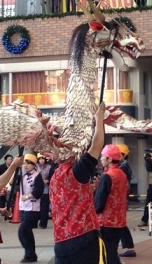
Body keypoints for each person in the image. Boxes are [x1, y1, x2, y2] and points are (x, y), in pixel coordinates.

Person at [49, 102, 105, 264]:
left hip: (61, 241)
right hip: (82, 238)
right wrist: (99, 119)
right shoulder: (76, 171)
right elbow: (97, 144)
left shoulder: (56, 174)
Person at [94, 145, 127, 264]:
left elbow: (100, 200)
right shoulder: (122, 174)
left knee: (107, 252)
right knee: (112, 251)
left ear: (109, 159)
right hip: (119, 219)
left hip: (106, 221)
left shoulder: (107, 176)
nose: (101, 158)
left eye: (103, 156)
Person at [17, 153, 44, 263]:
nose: (26, 165)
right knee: (26, 232)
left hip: (33, 207)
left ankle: (30, 254)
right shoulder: (22, 174)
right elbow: (12, 185)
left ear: (34, 165)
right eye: (25, 163)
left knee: (23, 230)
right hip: (23, 207)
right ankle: (31, 254)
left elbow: (38, 192)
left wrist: (27, 196)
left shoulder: (37, 176)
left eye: (29, 163)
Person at [116, 144, 136, 258]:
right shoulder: (124, 165)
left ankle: (130, 248)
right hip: (122, 197)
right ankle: (129, 248)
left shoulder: (122, 167)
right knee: (121, 224)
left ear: (123, 155)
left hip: (120, 198)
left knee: (121, 224)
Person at [37, 153, 51, 229]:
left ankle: (43, 223)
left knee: (44, 208)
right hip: (37, 189)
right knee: (36, 207)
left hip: (45, 189)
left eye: (43, 159)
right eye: (40, 159)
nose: (41, 160)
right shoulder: (35, 167)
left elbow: (51, 176)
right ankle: (34, 222)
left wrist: (48, 180)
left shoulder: (49, 167)